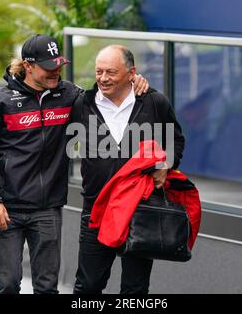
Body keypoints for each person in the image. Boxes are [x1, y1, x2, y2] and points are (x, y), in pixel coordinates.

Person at [0, 35, 148, 294]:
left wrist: (136, 83)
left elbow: (107, 96)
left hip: (48, 208)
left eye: (58, 66)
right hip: (6, 207)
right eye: (48, 67)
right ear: (28, 66)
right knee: (7, 285)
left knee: (46, 288)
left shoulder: (70, 95)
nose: (56, 72)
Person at [70, 45, 185, 294]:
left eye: (110, 72)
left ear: (132, 73)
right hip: (96, 210)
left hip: (140, 209)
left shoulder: (154, 102)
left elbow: (175, 139)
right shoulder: (82, 104)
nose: (102, 78)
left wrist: (166, 164)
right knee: (87, 286)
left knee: (135, 288)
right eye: (99, 71)